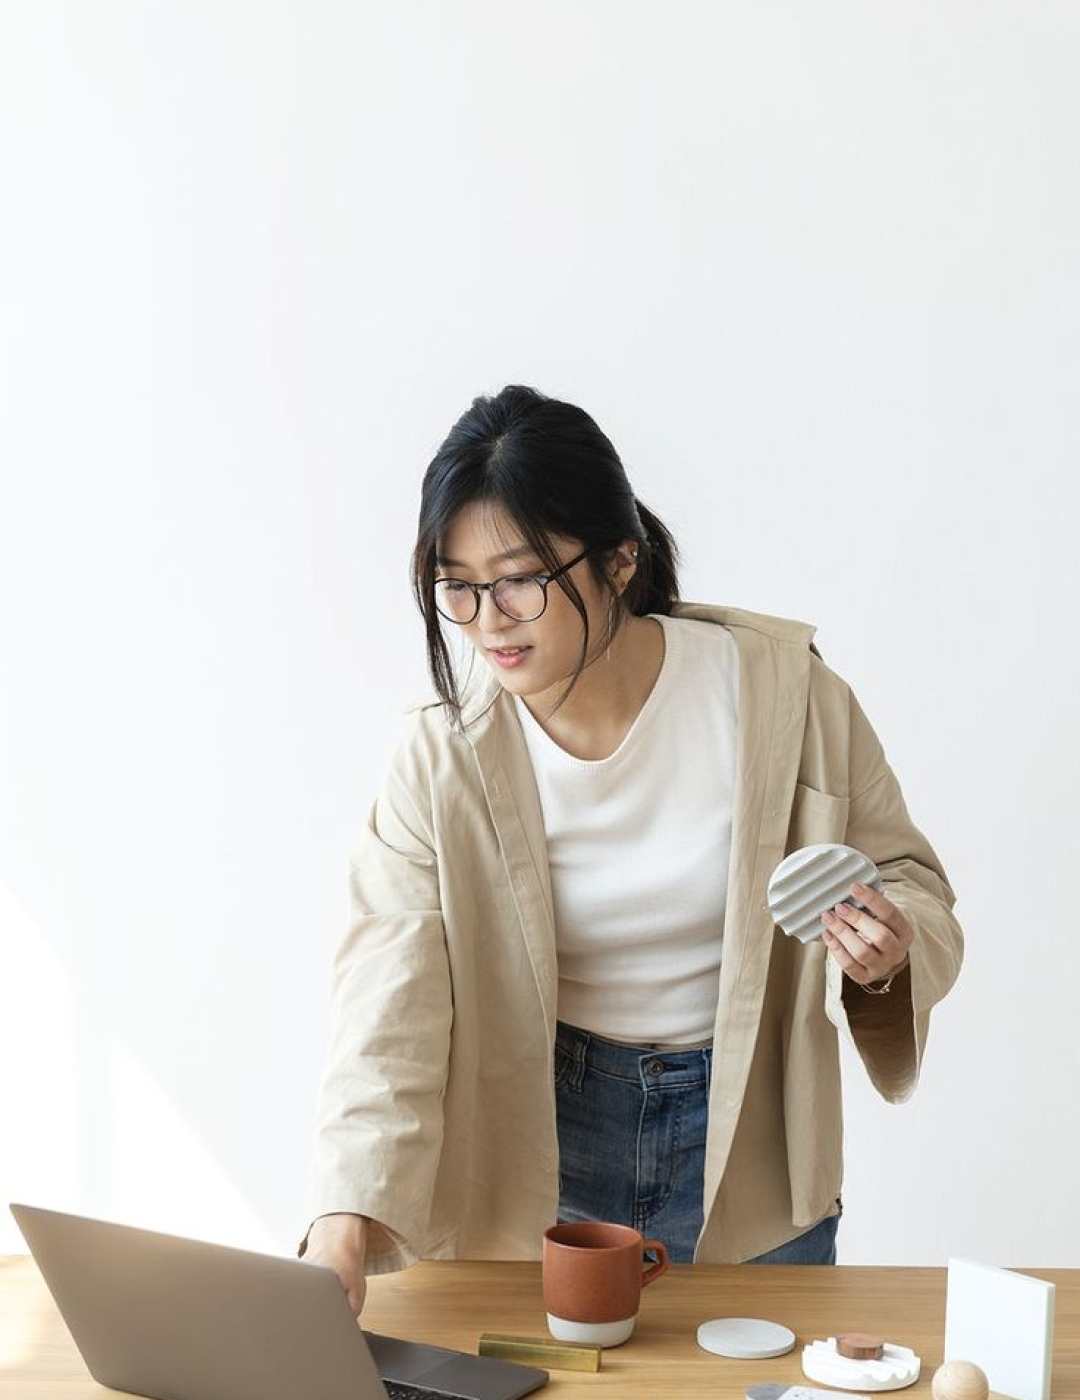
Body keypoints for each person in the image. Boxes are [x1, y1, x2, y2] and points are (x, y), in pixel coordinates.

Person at [297, 384, 963, 1318]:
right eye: (459, 586)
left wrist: (889, 948)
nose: (490, 618)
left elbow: (911, 881)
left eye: (521, 577)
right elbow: (385, 995)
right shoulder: (442, 753)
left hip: (755, 1142)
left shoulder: (784, 698)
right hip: (539, 1144)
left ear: (618, 561)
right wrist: (342, 1219)